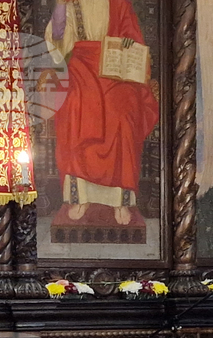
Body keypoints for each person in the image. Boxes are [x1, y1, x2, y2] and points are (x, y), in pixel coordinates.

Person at [44, 0, 158, 226]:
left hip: (115, 68)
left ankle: (121, 201)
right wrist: (60, 6)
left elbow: (133, 38)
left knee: (123, 114)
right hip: (80, 67)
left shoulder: (118, 3)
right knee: (76, 106)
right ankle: (80, 198)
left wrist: (127, 41)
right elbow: (57, 36)